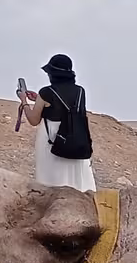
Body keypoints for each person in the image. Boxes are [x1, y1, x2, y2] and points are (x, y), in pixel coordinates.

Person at [18, 53, 96, 191]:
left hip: (53, 139)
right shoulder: (80, 91)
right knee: (77, 179)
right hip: (75, 136)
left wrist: (24, 101)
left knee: (52, 179)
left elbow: (34, 120)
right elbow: (68, 110)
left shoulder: (46, 92)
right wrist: (39, 100)